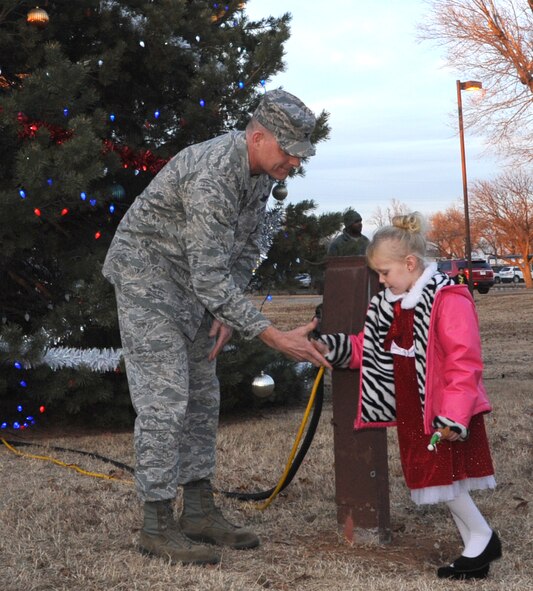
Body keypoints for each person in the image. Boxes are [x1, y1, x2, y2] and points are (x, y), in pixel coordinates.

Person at [102, 89, 331, 566]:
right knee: (165, 400)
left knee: (204, 397)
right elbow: (209, 273)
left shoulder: (261, 177)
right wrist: (269, 334)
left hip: (191, 289)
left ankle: (199, 510)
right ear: (258, 136)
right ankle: (157, 523)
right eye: (287, 150)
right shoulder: (212, 173)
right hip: (148, 278)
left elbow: (243, 251)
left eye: (298, 153)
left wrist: (225, 313)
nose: (293, 161)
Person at [313, 212, 501, 580]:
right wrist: (329, 348)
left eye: (384, 272)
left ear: (410, 264)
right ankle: (475, 546)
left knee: (444, 476)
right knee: (439, 478)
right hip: (412, 408)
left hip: (443, 408)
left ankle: (481, 538)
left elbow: (465, 361)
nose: (380, 280)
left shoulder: (448, 298)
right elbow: (367, 348)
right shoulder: (388, 304)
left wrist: (453, 416)